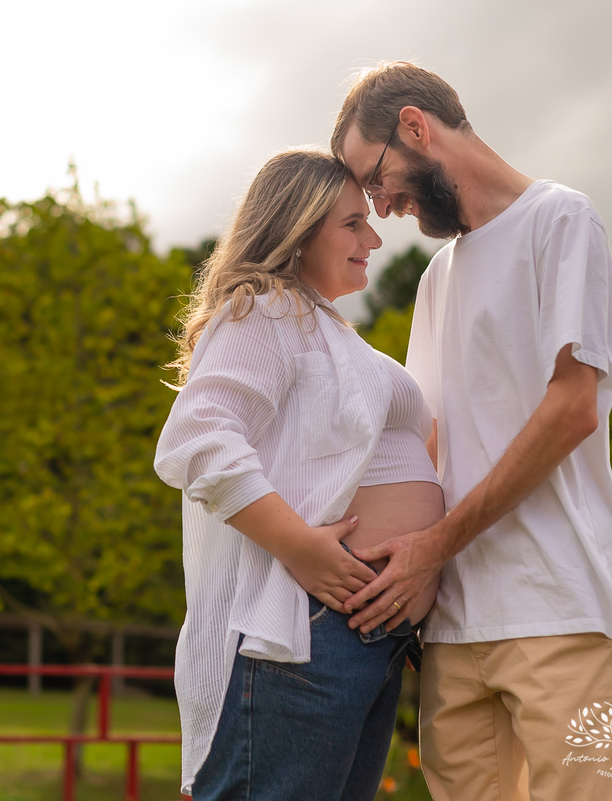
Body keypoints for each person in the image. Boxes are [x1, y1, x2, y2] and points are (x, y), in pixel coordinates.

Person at [330, 62, 612, 801]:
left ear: (414, 126)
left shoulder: (563, 220)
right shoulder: (437, 276)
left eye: (375, 178)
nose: (381, 205)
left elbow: (572, 408)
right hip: (453, 624)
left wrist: (433, 545)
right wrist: (406, 579)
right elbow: (424, 443)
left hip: (564, 607)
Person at [154, 148, 445, 801]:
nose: (373, 237)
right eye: (351, 223)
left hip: (369, 634)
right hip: (306, 631)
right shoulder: (264, 308)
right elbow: (199, 437)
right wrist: (298, 543)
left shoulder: (331, 330)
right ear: (297, 225)